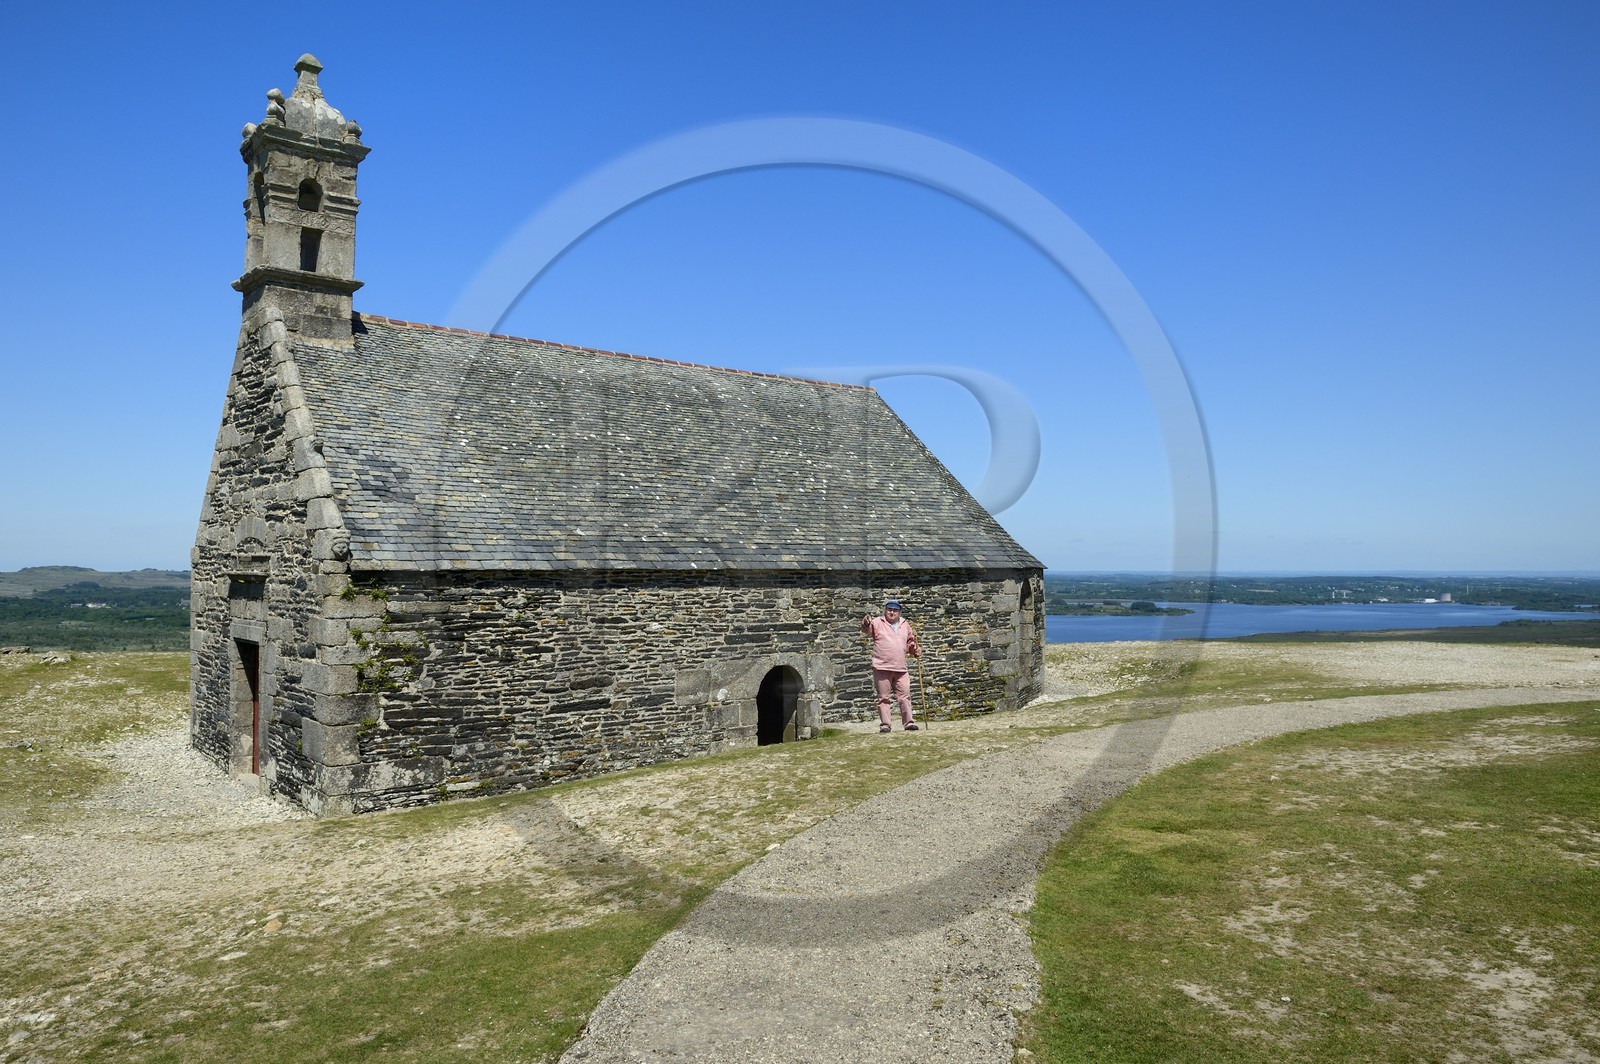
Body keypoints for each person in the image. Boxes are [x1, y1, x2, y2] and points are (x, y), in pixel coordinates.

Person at [860, 600, 921, 733]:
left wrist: (915, 650)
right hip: (882, 666)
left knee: (905, 696)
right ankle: (885, 725)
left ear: (899, 612)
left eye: (895, 610)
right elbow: (866, 629)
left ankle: (909, 723)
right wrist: (865, 622)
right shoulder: (877, 622)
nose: (892, 612)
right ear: (885, 610)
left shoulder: (905, 624)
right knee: (883, 698)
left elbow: (910, 642)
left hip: (900, 667)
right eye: (889, 610)